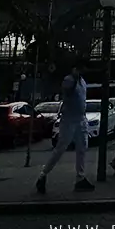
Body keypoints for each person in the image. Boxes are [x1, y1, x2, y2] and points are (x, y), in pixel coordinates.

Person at [36, 59, 93, 193]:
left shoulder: (82, 81)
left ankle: (80, 177)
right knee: (61, 148)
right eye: (77, 69)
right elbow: (66, 92)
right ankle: (43, 175)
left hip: (80, 118)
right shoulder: (69, 80)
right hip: (69, 119)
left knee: (82, 146)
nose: (79, 71)